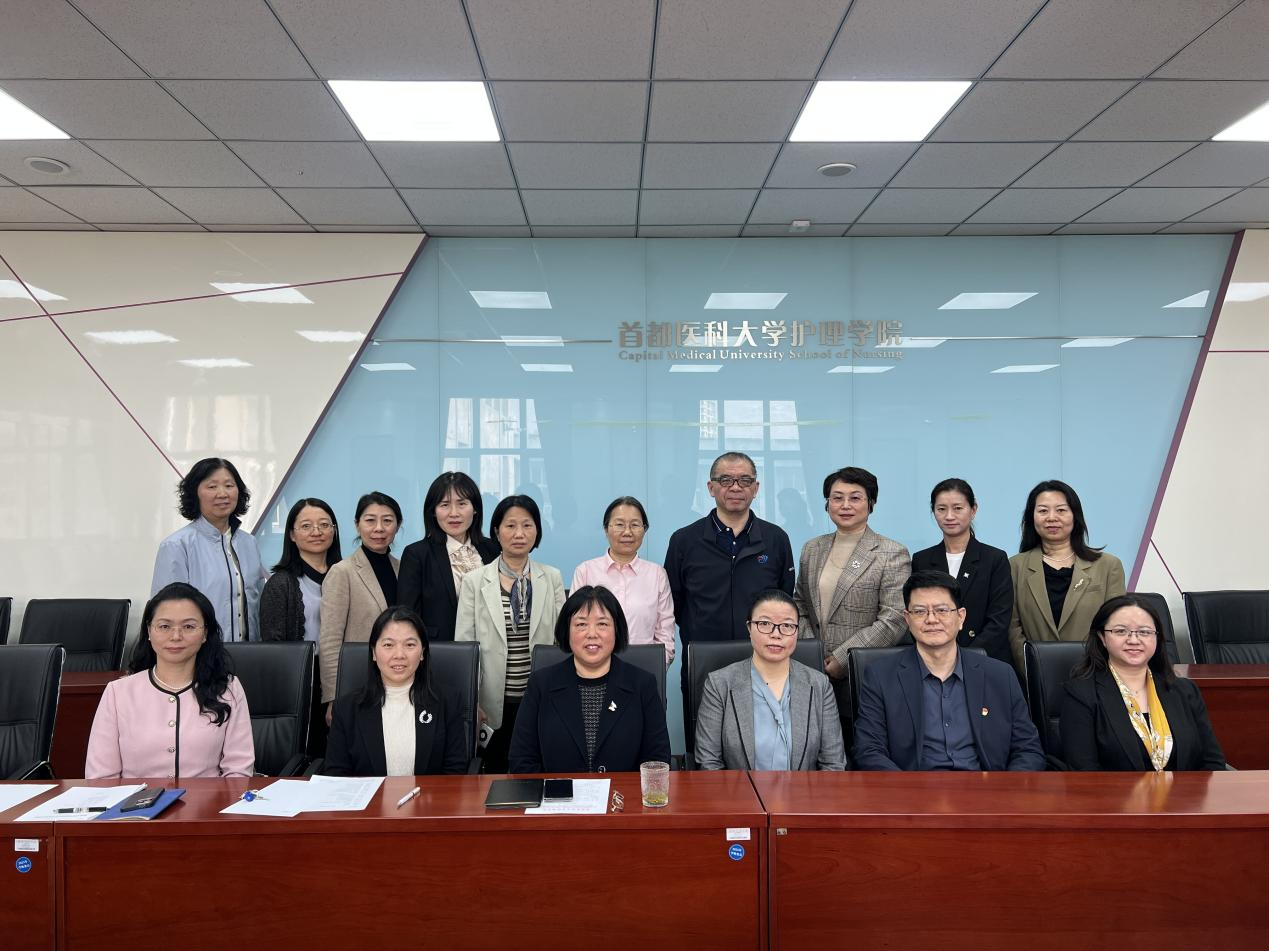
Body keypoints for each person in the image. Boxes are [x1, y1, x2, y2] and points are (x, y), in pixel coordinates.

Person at [853, 570, 1044, 771]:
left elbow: (1028, 750)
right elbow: (868, 750)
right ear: (907, 619)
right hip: (913, 786)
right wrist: (907, 789)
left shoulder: (1000, 675)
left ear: (961, 617)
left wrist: (1004, 788)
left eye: (942, 610)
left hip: (985, 786)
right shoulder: (881, 676)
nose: (931, 619)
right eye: (920, 611)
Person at [665, 452, 795, 724]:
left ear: (756, 488)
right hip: (703, 661)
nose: (736, 487)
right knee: (703, 741)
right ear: (711, 487)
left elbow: (783, 601)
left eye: (744, 480)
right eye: (726, 480)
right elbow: (674, 603)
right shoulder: (684, 541)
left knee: (764, 738)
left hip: (763, 662)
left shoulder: (776, 540)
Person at [85, 582, 254, 779]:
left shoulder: (228, 688)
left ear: (205, 633)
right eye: (164, 626)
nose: (176, 636)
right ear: (149, 631)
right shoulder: (118, 692)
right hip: (135, 800)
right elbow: (101, 777)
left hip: (209, 799)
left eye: (189, 626)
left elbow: (238, 771)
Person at [793, 466, 910, 731]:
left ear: (871, 504)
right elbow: (799, 605)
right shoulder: (812, 548)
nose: (845, 505)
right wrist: (812, 653)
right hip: (812, 672)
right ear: (827, 504)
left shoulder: (891, 552)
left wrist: (843, 660)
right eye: (837, 498)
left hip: (864, 674)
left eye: (855, 498)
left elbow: (894, 618)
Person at [455, 494, 565, 773]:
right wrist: (472, 702)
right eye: (510, 526)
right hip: (492, 703)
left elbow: (561, 642)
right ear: (496, 531)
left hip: (541, 698)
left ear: (537, 531)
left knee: (538, 772)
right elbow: (465, 647)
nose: (519, 534)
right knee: (495, 775)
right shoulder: (475, 581)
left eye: (527, 525)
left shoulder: (551, 577)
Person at [509, 586, 670, 773]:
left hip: (624, 792)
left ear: (616, 630)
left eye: (602, 624)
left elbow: (657, 760)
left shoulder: (642, 685)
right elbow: (521, 761)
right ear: (567, 631)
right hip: (557, 792)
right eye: (581, 625)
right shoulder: (541, 684)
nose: (592, 633)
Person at [1061, 594, 1225, 771]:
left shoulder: (1184, 691)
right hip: (1114, 790)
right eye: (1120, 631)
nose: (1133, 640)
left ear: (1157, 637)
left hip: (1185, 789)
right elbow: (1084, 772)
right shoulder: (1081, 695)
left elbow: (1212, 762)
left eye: (1144, 632)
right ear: (1102, 637)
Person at [694, 589, 846, 771]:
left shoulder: (819, 685)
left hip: (805, 790)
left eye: (787, 625)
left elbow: (833, 764)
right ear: (749, 628)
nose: (776, 634)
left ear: (797, 631)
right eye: (765, 623)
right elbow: (708, 763)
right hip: (738, 790)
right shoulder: (719, 684)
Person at [324, 607, 469, 776]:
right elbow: (336, 775)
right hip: (369, 795)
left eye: (409, 645)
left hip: (429, 794)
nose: (399, 655)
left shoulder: (448, 702)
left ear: (422, 652)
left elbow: (455, 772)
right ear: (373, 653)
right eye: (388, 645)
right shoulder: (345, 709)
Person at [1008, 480, 1126, 671]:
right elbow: (1013, 628)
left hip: (1094, 671)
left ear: (1075, 515)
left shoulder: (1108, 566)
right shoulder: (1015, 566)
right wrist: (1033, 669)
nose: (1052, 518)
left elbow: (1116, 625)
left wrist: (1093, 669)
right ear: (1032, 517)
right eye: (1043, 511)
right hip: (1034, 673)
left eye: (1061, 510)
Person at [151, 457, 267, 643]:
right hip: (200, 652)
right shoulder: (177, 546)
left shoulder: (249, 543)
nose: (222, 493)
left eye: (229, 485)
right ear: (195, 493)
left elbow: (259, 601)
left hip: (250, 652)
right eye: (212, 486)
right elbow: (165, 612)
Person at [318, 491, 403, 720]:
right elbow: (330, 639)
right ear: (357, 525)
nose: (379, 528)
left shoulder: (403, 568)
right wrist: (334, 696)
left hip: (399, 680)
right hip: (358, 681)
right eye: (370, 520)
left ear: (397, 526)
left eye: (387, 520)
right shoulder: (342, 572)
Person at [911, 478, 1012, 666]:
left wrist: (965, 658)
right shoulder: (921, 560)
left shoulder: (994, 558)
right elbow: (917, 614)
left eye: (958, 508)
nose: (949, 516)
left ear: (973, 510)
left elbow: (999, 619)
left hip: (985, 659)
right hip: (934, 661)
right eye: (941, 509)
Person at [571, 496, 675, 665]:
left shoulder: (657, 575)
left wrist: (656, 667)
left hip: (644, 668)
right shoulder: (585, 571)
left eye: (635, 525)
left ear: (644, 529)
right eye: (619, 524)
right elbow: (576, 626)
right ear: (606, 529)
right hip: (594, 668)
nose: (627, 532)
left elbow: (665, 633)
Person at [398, 472, 499, 642]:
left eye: (462, 504)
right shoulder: (417, 554)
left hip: (491, 647)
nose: (454, 513)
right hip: (439, 650)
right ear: (433, 511)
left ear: (475, 508)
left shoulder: (493, 549)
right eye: (444, 505)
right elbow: (407, 617)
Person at [260, 498, 341, 642]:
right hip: (298, 658)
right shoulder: (279, 584)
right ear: (292, 534)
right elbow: (273, 646)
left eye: (324, 525)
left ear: (334, 530)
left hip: (341, 657)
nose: (316, 532)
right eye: (306, 526)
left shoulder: (347, 576)